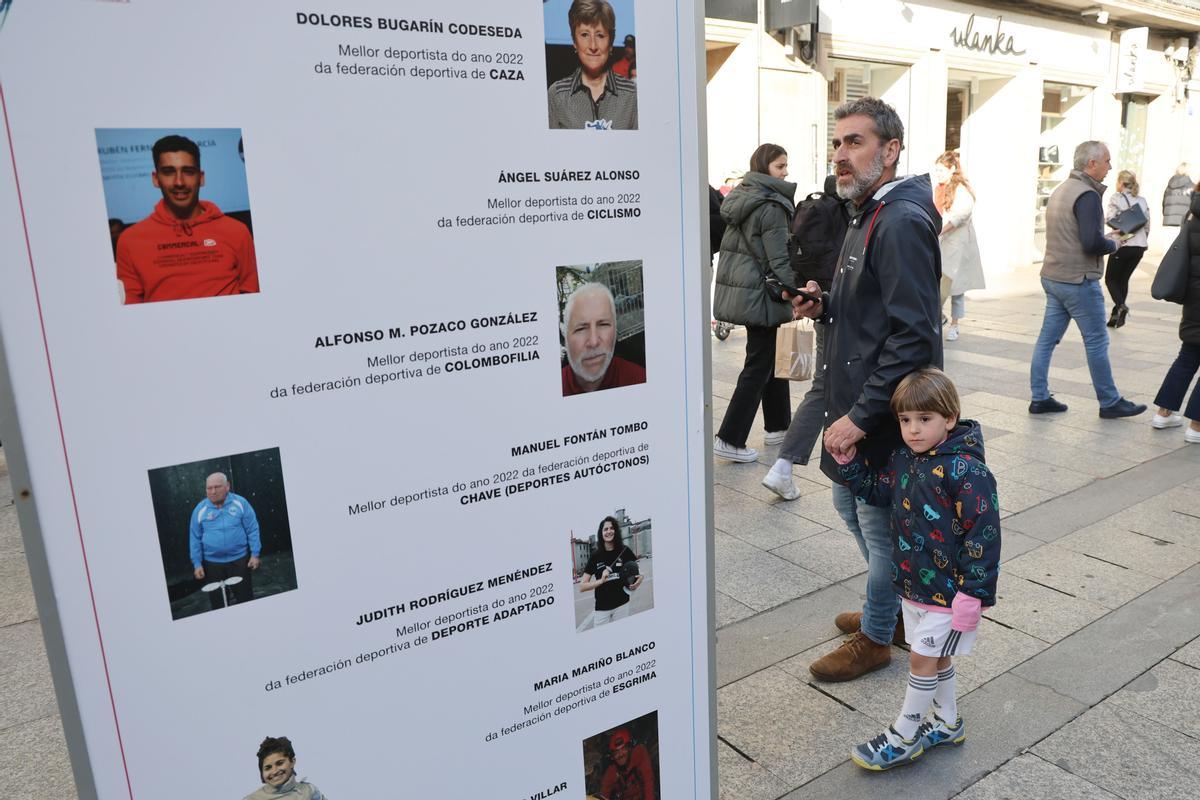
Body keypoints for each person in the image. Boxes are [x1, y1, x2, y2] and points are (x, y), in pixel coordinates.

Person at [789, 97, 943, 682]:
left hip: (884, 411)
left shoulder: (899, 220)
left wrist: (860, 416)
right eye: (838, 143)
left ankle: (880, 636)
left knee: (880, 528)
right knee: (848, 506)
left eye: (855, 142)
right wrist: (824, 304)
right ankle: (895, 607)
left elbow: (912, 336)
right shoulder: (867, 211)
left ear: (890, 149)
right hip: (859, 399)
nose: (841, 155)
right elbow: (877, 310)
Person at [833, 368, 1000, 771]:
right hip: (913, 585)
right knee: (938, 659)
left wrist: (973, 595)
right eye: (905, 421)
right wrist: (851, 465)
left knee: (921, 660)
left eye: (924, 420)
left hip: (950, 593)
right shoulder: (905, 458)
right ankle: (947, 723)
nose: (913, 429)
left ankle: (904, 735)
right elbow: (879, 492)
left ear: (950, 417)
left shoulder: (967, 471)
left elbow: (985, 536)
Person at [1029, 141, 1145, 419]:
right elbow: (1091, 242)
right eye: (1106, 160)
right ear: (1091, 164)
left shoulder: (1062, 189)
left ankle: (1039, 397)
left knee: (1047, 340)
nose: (1110, 166)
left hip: (1054, 275)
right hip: (1078, 279)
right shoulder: (1088, 195)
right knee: (1096, 341)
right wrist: (1115, 243)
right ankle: (1109, 401)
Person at [760, 174, 849, 500]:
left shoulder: (816, 209)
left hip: (821, 303)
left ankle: (783, 466)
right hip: (848, 308)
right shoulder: (856, 214)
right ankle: (784, 467)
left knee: (822, 384)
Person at [711, 143, 796, 462]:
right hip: (763, 293)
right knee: (759, 364)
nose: (786, 171)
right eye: (780, 166)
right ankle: (730, 438)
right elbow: (778, 258)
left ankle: (778, 426)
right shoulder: (771, 204)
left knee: (771, 359)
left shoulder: (743, 196)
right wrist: (796, 291)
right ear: (765, 168)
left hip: (747, 290)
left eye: (786, 165)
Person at [116, 135, 258, 304]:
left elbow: (252, 295)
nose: (179, 182)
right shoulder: (130, 241)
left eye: (188, 172)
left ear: (201, 177)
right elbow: (130, 309)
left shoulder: (236, 231)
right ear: (156, 179)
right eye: (169, 172)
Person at [1151, 183, 1200, 444]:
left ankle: (1164, 413)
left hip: (1194, 299)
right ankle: (1196, 426)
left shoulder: (1191, 217)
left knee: (1187, 357)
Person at [547, 0, 637, 130]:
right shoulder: (557, 94)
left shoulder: (632, 95)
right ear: (574, 42)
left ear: (611, 43)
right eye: (584, 35)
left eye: (600, 35)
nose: (593, 46)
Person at [932, 151, 985, 342]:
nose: (938, 173)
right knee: (938, 285)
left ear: (952, 169)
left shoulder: (961, 190)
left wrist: (939, 231)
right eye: (936, 170)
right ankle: (939, 317)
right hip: (942, 244)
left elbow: (958, 217)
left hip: (958, 246)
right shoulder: (938, 188)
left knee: (956, 288)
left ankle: (954, 324)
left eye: (941, 170)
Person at [190, 472, 261, 610]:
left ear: (227, 486)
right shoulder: (200, 509)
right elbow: (195, 538)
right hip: (212, 565)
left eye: (217, 487)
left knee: (245, 600)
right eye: (209, 488)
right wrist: (197, 563)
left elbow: (253, 529)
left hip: (240, 561)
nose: (213, 491)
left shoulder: (240, 503)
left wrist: (255, 554)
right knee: (219, 605)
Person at [561, 282, 646, 395]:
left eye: (603, 325)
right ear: (565, 337)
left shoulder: (640, 379)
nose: (594, 341)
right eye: (581, 329)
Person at [1104, 169, 1150, 328]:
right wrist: (1142, 240)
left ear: (1121, 183)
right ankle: (1116, 317)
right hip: (1140, 246)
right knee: (1123, 280)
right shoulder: (1142, 200)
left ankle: (1121, 307)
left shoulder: (1116, 198)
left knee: (1110, 279)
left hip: (1123, 245)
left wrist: (1121, 232)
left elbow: (1110, 219)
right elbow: (1147, 224)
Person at [579, 516, 644, 627]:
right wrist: (601, 581)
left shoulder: (624, 550)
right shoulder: (595, 556)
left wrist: (640, 579)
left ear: (616, 531)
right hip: (602, 609)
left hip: (622, 604)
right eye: (605, 529)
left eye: (611, 528)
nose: (609, 531)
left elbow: (638, 572)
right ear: (601, 533)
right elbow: (582, 586)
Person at [244, 736, 326, 800]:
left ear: (292, 761)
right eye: (268, 768)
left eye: (280, 763)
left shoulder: (309, 791)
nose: (274, 771)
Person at [598, 727, 655, 800]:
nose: (620, 754)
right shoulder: (612, 771)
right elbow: (603, 794)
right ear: (612, 757)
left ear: (629, 748)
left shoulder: (639, 754)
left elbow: (648, 782)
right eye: (616, 752)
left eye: (623, 748)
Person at [1163, 162, 1194, 227]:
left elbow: (1164, 203)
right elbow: (1194, 206)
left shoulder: (1169, 186)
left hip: (1168, 222)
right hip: (1183, 223)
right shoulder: (1191, 186)